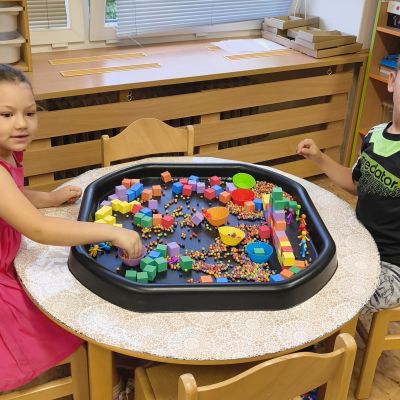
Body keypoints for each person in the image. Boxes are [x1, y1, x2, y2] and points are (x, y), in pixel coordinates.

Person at [0, 64, 142, 392]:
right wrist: (112, 232)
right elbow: (40, 229)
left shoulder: (7, 153)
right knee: (72, 321)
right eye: (6, 115)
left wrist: (49, 197)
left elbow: (14, 196)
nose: (21, 124)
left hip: (8, 259)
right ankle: (110, 387)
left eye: (30, 113)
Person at [296, 60, 400, 314]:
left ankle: (332, 337)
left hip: (393, 267)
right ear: (392, 82)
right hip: (359, 242)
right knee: (306, 262)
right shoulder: (375, 135)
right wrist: (319, 157)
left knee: (335, 296)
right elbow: (355, 184)